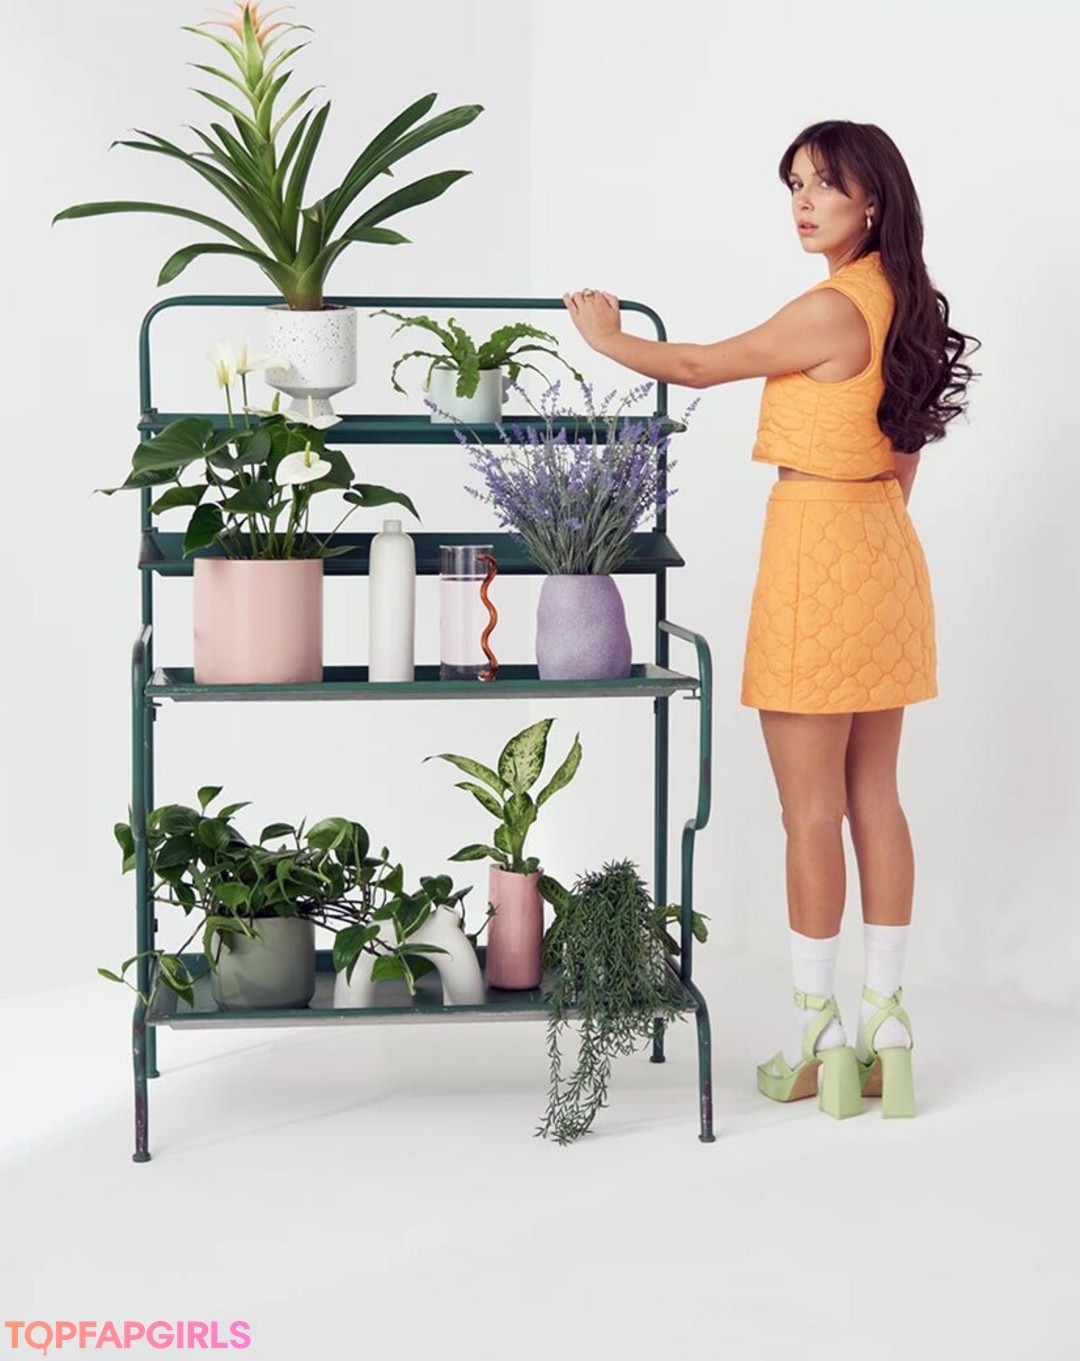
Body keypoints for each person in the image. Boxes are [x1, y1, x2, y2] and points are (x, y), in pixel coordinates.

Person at [564, 119, 980, 1121]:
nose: (803, 202)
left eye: (824, 185)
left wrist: (608, 338)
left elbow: (705, 363)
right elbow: (902, 460)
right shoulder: (905, 305)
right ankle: (888, 1025)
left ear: (872, 201)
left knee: (810, 811)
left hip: (814, 553)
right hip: (885, 553)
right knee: (875, 796)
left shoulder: (832, 307)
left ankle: (817, 1034)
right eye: (794, 183)